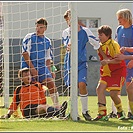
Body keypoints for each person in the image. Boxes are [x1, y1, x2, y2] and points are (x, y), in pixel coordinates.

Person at [62, 9, 106, 121]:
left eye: (71, 18)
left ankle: (85, 111)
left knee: (82, 84)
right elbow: (66, 45)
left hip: (81, 63)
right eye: (67, 19)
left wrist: (104, 57)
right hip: (69, 63)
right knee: (72, 88)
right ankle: (72, 112)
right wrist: (69, 46)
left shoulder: (85, 31)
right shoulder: (66, 32)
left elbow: (96, 44)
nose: (69, 21)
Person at [21, 18, 60, 109]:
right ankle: (23, 108)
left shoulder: (47, 41)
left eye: (41, 27)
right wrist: (32, 69)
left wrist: (50, 71)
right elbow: (25, 53)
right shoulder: (30, 37)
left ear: (45, 28)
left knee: (51, 83)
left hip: (42, 67)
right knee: (32, 88)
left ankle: (58, 108)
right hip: (28, 66)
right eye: (37, 26)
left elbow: (48, 58)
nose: (38, 29)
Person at [0, 68, 67, 119]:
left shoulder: (37, 85)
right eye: (25, 75)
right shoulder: (19, 89)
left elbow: (43, 98)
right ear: (21, 78)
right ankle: (60, 112)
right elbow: (14, 103)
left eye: (29, 75)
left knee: (46, 109)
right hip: (27, 109)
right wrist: (8, 115)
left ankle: (59, 114)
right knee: (44, 107)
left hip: (38, 107)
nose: (28, 77)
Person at [93, 25, 127, 121]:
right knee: (99, 89)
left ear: (108, 35)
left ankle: (120, 112)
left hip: (117, 71)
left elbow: (119, 60)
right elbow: (104, 57)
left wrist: (107, 62)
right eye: (98, 35)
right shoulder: (100, 45)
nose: (99, 37)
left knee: (113, 94)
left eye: (101, 35)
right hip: (106, 71)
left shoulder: (114, 44)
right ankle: (102, 113)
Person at [110, 8, 133, 119]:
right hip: (120, 63)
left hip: (130, 63)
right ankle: (114, 112)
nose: (118, 20)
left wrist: (132, 61)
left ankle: (130, 112)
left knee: (130, 88)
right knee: (115, 87)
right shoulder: (119, 29)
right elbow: (116, 45)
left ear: (126, 17)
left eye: (120, 17)